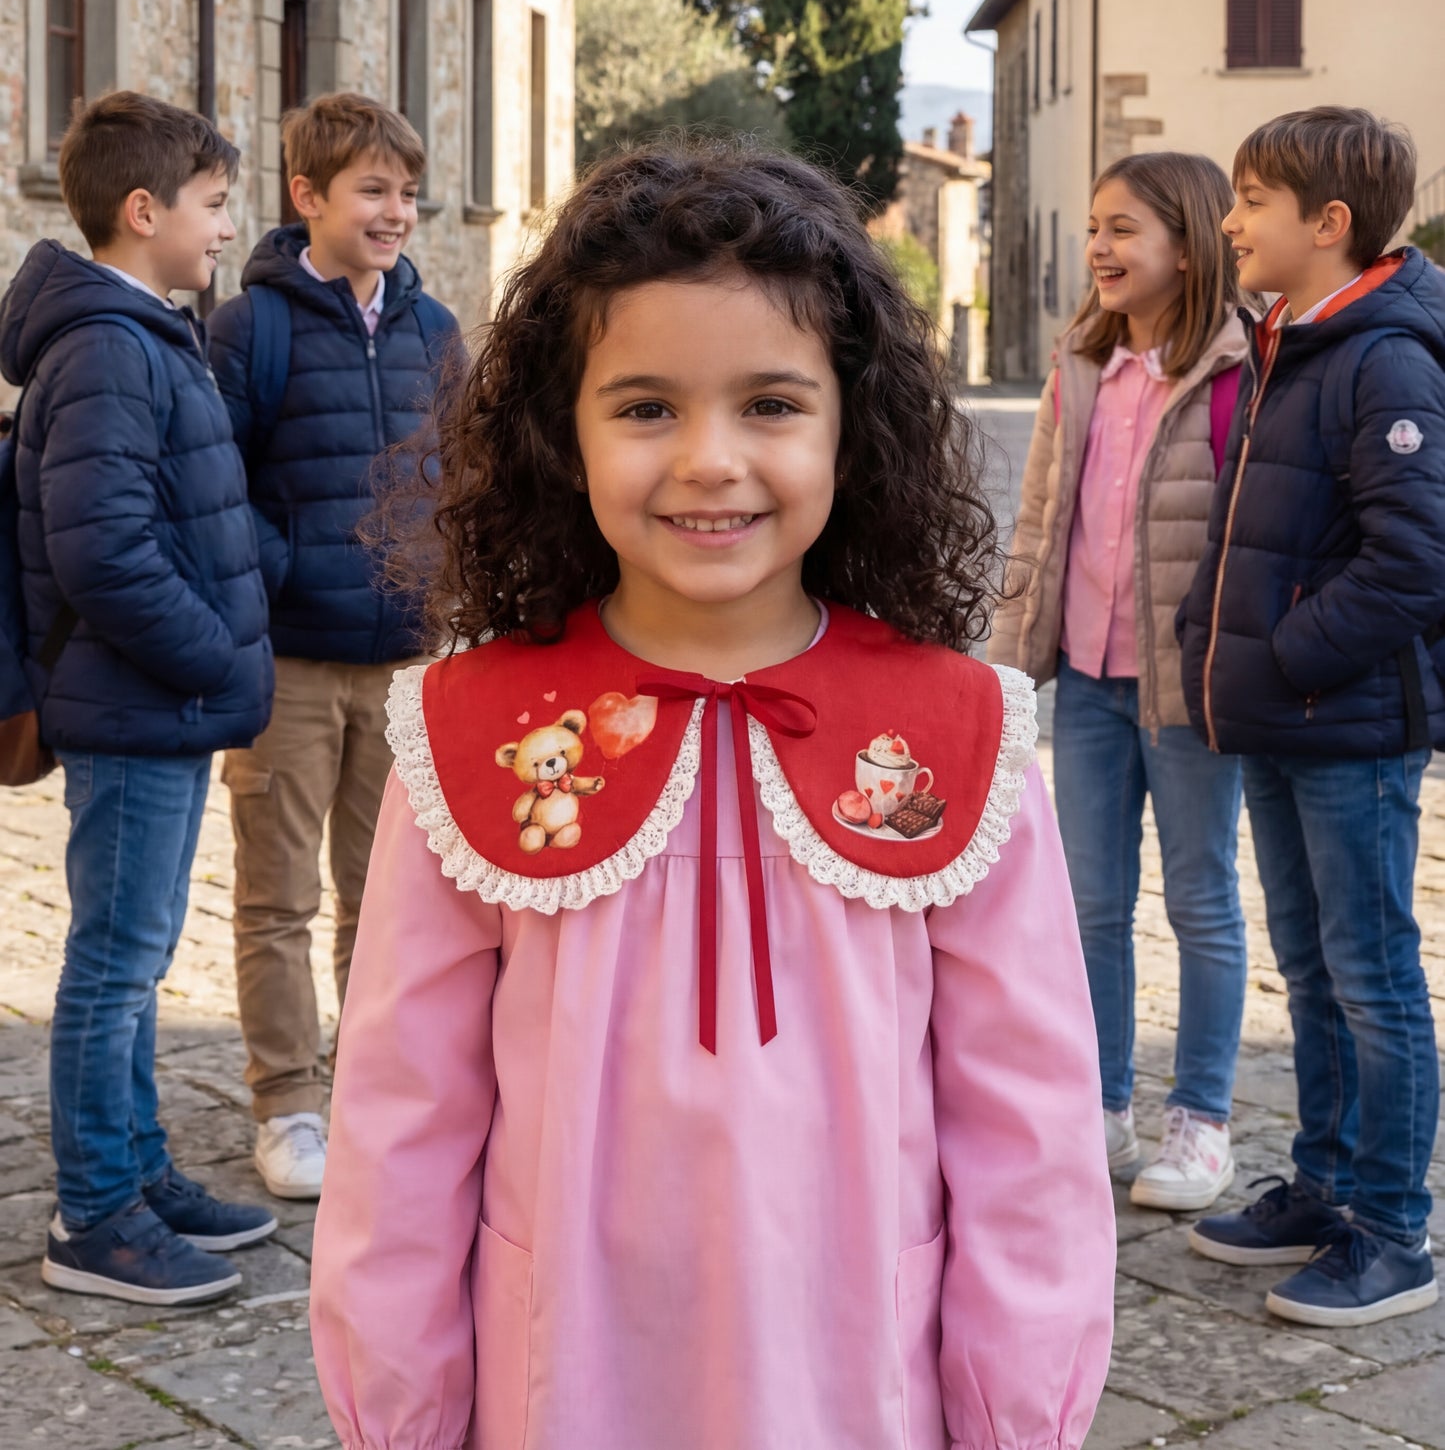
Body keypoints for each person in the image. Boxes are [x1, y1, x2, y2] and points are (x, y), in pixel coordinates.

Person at [309, 139, 1115, 1450]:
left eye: (770, 403)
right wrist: (401, 1404)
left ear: (852, 424)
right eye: (644, 407)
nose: (708, 459)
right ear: (559, 431)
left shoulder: (956, 732)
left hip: (857, 1377)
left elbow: (1027, 1128)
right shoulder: (471, 738)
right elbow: (401, 1117)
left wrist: (1015, 1407)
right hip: (562, 1375)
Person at [0, 93, 275, 1306]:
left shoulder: (143, 330)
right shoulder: (112, 344)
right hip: (136, 701)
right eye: (214, 205)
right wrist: (215, 655)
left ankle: (141, 1173)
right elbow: (103, 551)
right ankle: (95, 1216)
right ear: (144, 208)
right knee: (113, 964)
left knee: (140, 956)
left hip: (153, 701)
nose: (227, 228)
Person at [1180, 106, 1444, 1327]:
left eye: (1249, 200)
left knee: (1372, 975)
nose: (1228, 222)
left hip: (1345, 728)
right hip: (1283, 722)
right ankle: (1325, 1190)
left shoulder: (1385, 359)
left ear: (1325, 224)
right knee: (1312, 968)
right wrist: (1208, 642)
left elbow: (1412, 563)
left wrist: (1284, 656)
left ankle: (1392, 1232)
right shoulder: (1287, 341)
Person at [207, 93, 458, 1202]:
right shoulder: (248, 328)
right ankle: (286, 1104)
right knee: (277, 900)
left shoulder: (435, 329)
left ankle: (371, 1089)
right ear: (307, 196)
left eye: (405, 192)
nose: (395, 212)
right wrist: (286, 566)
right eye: (372, 191)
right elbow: (215, 484)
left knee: (390, 895)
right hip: (293, 661)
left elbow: (462, 476)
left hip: (406, 662)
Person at [990, 153, 1251, 1213]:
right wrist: (1009, 667)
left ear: (1183, 247)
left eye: (1120, 230)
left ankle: (1199, 1122)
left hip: (1185, 690)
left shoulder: (1238, 373)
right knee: (1087, 903)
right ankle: (1097, 1106)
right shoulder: (1078, 370)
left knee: (1199, 902)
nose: (1096, 247)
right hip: (1087, 683)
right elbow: (1037, 526)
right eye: (1092, 228)